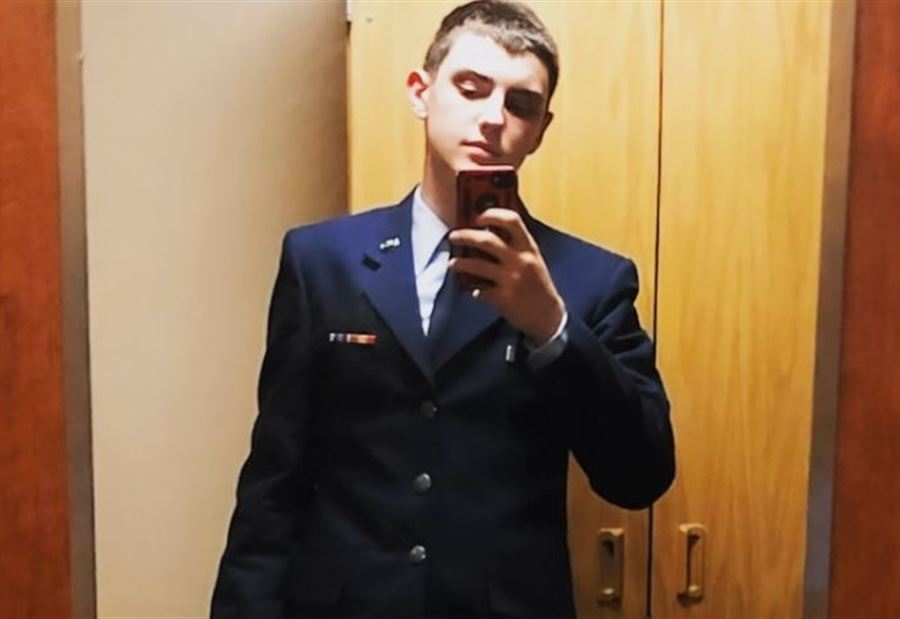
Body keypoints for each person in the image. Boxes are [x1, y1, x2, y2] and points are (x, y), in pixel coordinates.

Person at [211, 2, 674, 618]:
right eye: (471, 88)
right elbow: (275, 483)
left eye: (520, 104)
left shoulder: (588, 281)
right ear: (420, 92)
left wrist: (552, 327)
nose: (493, 118)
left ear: (540, 130)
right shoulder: (322, 261)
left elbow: (639, 476)